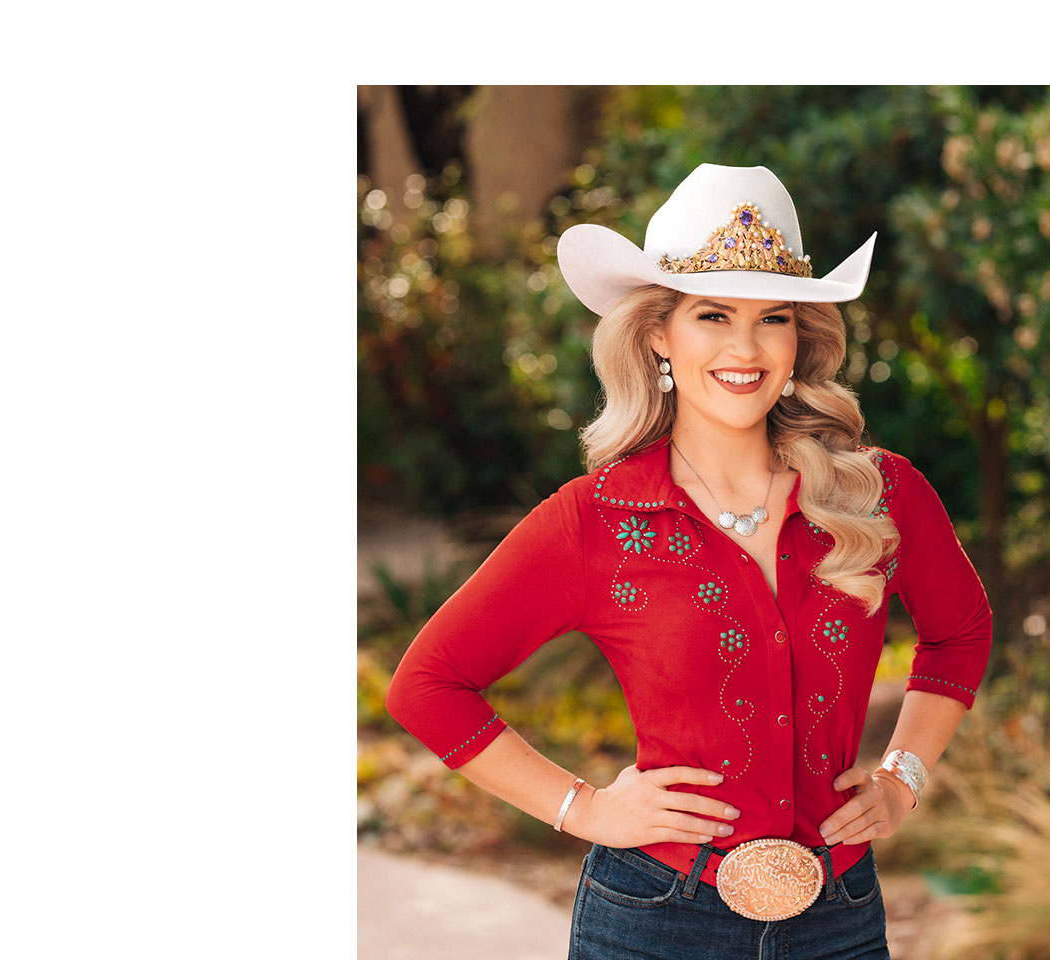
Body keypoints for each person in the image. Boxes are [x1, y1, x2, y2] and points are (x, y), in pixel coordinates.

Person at [386, 164, 993, 958]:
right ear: (656, 334)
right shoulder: (596, 519)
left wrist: (903, 776)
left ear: (799, 337)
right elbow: (427, 687)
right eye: (713, 314)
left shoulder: (879, 492)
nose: (745, 348)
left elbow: (961, 632)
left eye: (773, 316)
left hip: (840, 916)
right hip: (655, 918)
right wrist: (584, 808)